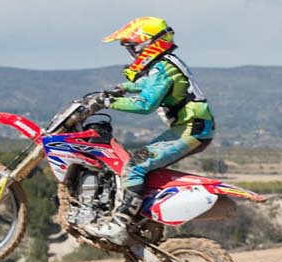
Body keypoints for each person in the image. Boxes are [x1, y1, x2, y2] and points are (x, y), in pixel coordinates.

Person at [85, 16, 215, 245]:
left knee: (136, 165)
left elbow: (145, 104)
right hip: (190, 127)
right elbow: (147, 85)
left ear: (147, 44)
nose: (132, 53)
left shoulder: (163, 67)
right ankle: (139, 215)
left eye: (132, 47)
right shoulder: (165, 63)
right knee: (137, 164)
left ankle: (121, 224)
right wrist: (122, 88)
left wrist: (106, 103)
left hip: (191, 129)